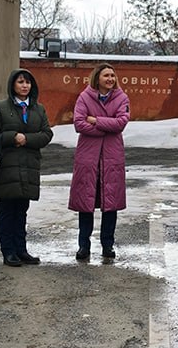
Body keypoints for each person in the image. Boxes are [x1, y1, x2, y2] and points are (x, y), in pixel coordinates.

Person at [0, 69, 53, 266]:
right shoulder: (0, 107)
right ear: (12, 85)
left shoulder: (38, 109)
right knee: (7, 210)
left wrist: (26, 139)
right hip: (7, 166)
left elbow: (46, 134)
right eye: (20, 82)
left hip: (29, 165)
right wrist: (12, 137)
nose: (25, 86)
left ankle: (21, 249)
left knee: (22, 210)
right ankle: (8, 251)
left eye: (28, 82)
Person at [68, 63, 130, 260]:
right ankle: (83, 245)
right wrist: (106, 127)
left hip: (112, 157)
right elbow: (79, 123)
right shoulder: (85, 97)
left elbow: (121, 123)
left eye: (113, 75)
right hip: (88, 157)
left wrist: (96, 120)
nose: (110, 79)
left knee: (110, 203)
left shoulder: (122, 97)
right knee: (86, 203)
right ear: (97, 78)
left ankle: (107, 245)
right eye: (106, 76)